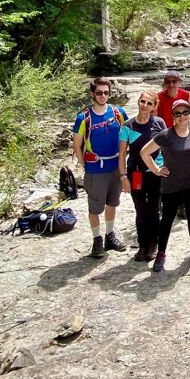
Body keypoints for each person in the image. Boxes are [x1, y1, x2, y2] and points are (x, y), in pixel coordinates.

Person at [140, 99, 190, 272]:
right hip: (171, 184)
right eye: (177, 113)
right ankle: (161, 253)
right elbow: (144, 152)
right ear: (173, 116)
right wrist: (156, 170)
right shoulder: (165, 135)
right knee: (167, 220)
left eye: (185, 112)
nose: (182, 116)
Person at [72, 77, 129, 258]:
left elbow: (130, 134)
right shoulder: (84, 118)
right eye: (99, 93)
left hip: (115, 167)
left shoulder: (118, 113)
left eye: (106, 92)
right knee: (95, 208)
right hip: (95, 169)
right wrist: (85, 164)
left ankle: (110, 235)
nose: (103, 96)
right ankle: (97, 240)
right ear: (92, 94)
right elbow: (76, 145)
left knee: (112, 202)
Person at [118, 90, 166, 263]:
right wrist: (123, 177)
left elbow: (166, 147)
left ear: (154, 107)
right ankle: (142, 244)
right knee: (140, 209)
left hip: (155, 174)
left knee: (154, 209)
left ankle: (153, 243)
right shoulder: (128, 127)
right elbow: (122, 154)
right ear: (138, 102)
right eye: (142, 101)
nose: (145, 105)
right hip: (136, 174)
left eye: (149, 103)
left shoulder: (159, 123)